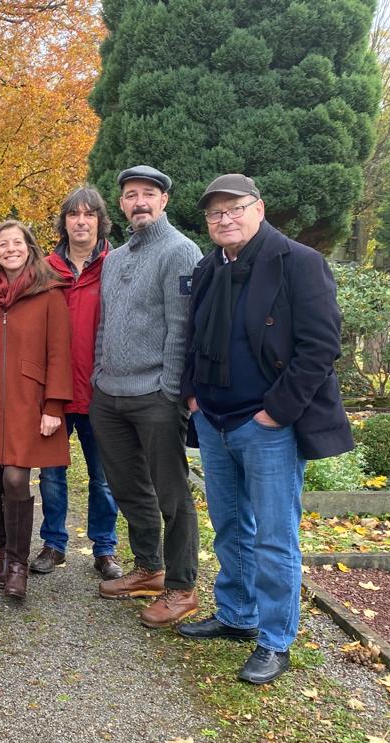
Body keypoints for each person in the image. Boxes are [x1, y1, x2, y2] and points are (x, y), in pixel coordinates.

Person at [177, 174, 353, 684]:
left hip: (267, 425)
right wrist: (193, 396)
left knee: (275, 538)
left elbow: (321, 347)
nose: (224, 219)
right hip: (214, 418)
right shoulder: (209, 266)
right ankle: (237, 614)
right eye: (215, 213)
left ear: (259, 208)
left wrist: (277, 411)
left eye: (235, 208)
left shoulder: (298, 262)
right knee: (231, 526)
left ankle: (275, 640)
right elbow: (192, 336)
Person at [90, 165, 201, 628]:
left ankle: (182, 588)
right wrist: (98, 374)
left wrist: (170, 390)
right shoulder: (114, 258)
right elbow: (105, 323)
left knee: (172, 495)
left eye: (148, 194)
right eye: (131, 194)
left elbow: (182, 327)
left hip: (156, 394)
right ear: (121, 204)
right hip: (109, 394)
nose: (139, 202)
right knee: (129, 488)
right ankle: (149, 568)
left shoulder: (180, 251)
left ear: (164, 201)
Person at [0, 221, 72, 599]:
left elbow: (60, 353)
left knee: (16, 479)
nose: (10, 249)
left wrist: (53, 406)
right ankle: (3, 553)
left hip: (28, 400)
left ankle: (19, 565)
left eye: (16, 243)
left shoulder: (49, 292)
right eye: (2, 244)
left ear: (29, 247)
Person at [32, 187, 122, 581]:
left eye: (89, 215)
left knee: (104, 478)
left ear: (101, 221)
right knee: (52, 475)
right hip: (54, 393)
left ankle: (105, 549)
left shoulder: (116, 265)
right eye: (73, 215)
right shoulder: (45, 269)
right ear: (64, 222)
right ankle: (53, 543)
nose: (81, 222)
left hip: (101, 391)